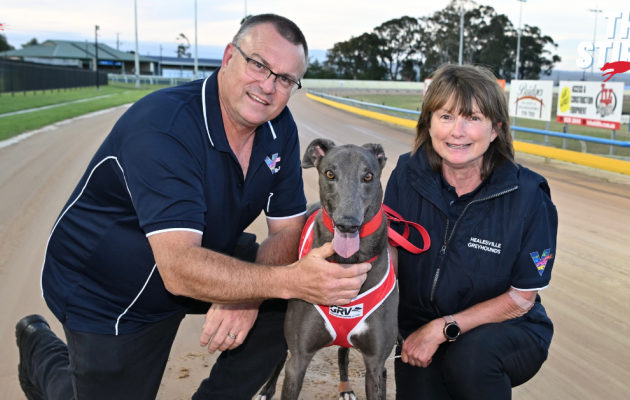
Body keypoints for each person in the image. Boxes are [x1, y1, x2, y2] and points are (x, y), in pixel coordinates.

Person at [16, 14, 371, 400]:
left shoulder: (278, 126)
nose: (268, 86)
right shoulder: (164, 127)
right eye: (258, 65)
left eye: (285, 79)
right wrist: (283, 281)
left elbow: (288, 229)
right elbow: (179, 268)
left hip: (199, 252)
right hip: (107, 287)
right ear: (228, 57)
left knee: (287, 303)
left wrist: (250, 295)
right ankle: (38, 348)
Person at [384, 64, 557, 400]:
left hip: (505, 330)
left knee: (470, 361)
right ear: (429, 123)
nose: (457, 131)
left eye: (473, 118)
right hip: (420, 326)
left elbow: (521, 299)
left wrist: (443, 328)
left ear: (495, 130)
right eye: (446, 116)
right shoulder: (406, 172)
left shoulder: (529, 195)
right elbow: (390, 255)